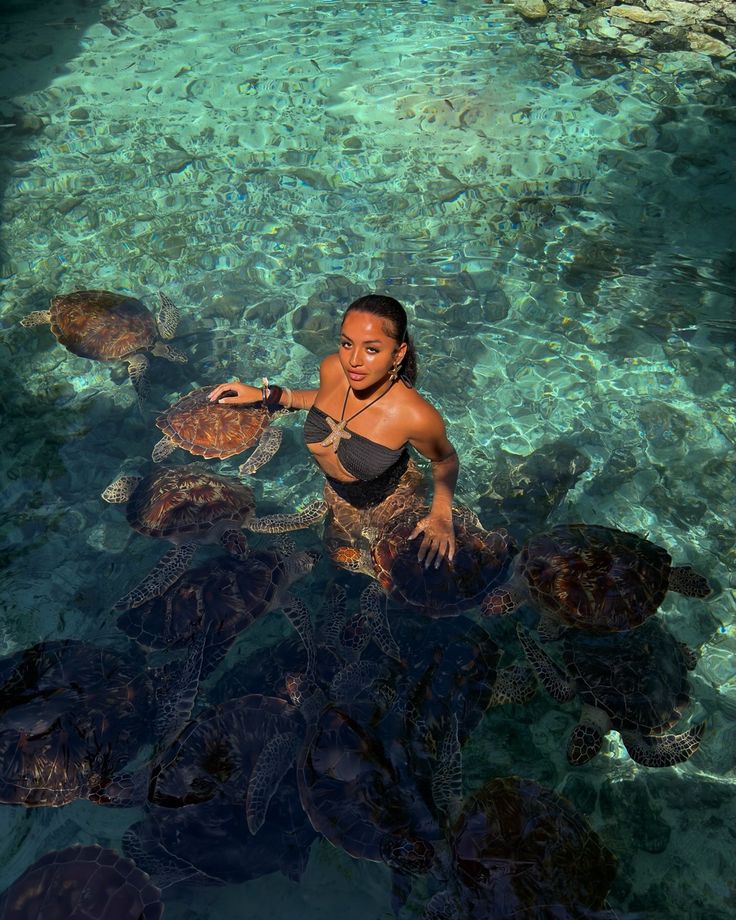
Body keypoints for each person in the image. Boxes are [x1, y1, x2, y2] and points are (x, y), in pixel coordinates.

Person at [208, 294, 458, 569]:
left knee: (390, 572)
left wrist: (441, 514)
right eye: (346, 343)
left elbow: (444, 459)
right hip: (337, 493)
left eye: (371, 349)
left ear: (397, 353)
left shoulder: (415, 416)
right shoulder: (333, 368)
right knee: (338, 562)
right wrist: (268, 394)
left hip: (391, 498)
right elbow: (324, 400)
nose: (353, 361)